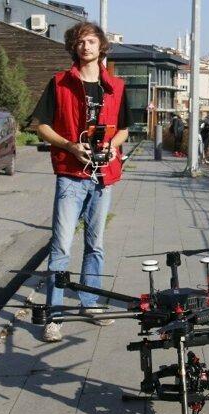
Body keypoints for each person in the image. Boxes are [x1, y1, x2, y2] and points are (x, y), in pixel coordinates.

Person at [31, 22, 132, 342]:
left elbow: (126, 129)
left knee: (96, 244)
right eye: (79, 42)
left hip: (103, 176)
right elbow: (40, 125)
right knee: (61, 245)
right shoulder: (60, 83)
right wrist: (69, 145)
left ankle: (90, 303)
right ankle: (54, 315)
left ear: (101, 46)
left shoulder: (116, 85)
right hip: (71, 176)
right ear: (73, 47)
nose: (85, 46)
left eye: (91, 41)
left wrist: (112, 146)